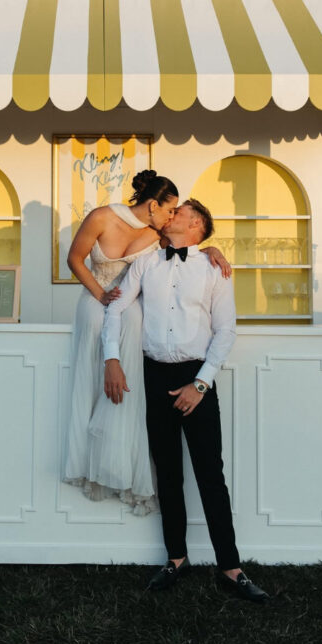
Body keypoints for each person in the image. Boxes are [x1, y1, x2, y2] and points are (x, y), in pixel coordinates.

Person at [102, 199, 268, 602]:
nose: (171, 214)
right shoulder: (144, 263)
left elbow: (225, 331)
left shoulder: (214, 267)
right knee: (168, 473)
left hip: (198, 377)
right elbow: (115, 308)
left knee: (211, 474)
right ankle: (176, 559)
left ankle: (230, 568)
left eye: (181, 211)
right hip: (154, 376)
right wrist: (111, 357)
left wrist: (201, 384)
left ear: (196, 224)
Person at [64, 171, 229, 514]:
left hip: (129, 306)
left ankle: (127, 466)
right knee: (97, 325)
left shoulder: (158, 234)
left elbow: (188, 250)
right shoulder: (101, 217)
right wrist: (101, 296)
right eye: (170, 210)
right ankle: (91, 460)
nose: (172, 217)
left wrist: (211, 248)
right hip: (99, 296)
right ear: (154, 205)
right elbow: (74, 260)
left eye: (176, 214)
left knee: (134, 356)